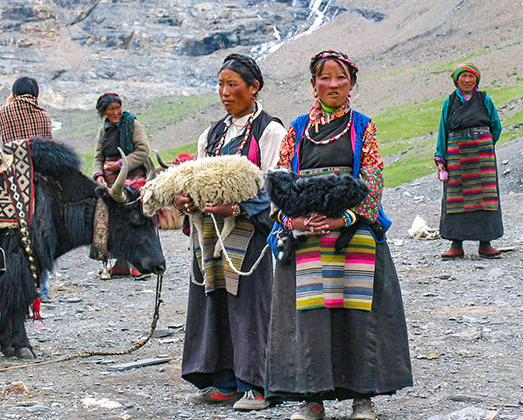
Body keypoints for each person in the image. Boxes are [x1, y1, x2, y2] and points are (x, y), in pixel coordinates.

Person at [264, 51, 412, 420]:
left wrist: (342, 219)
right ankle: (312, 398)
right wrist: (291, 221)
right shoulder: (297, 129)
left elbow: (372, 181)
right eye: (324, 78)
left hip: (353, 235)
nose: (333, 84)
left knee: (358, 316)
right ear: (313, 84)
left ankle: (363, 397)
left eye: (341, 78)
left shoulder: (364, 126)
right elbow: (280, 180)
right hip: (305, 238)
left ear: (352, 83)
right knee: (310, 319)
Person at [174, 54, 286, 412]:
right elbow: (197, 179)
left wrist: (238, 209)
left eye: (232, 84)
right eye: (220, 84)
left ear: (254, 88)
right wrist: (187, 201)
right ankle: (222, 381)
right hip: (209, 233)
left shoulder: (270, 131)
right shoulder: (212, 134)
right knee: (214, 303)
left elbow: (276, 185)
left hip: (249, 234)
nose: (224, 92)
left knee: (250, 307)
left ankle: (257, 385)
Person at [0, 77, 53, 302]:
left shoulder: (3, 113)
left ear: (14, 92)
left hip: (8, 185)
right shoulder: (43, 115)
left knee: (7, 237)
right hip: (37, 186)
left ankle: (5, 286)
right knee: (40, 236)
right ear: (35, 93)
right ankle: (41, 289)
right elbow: (48, 148)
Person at [434, 62, 503, 260]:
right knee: (455, 199)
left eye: (471, 77)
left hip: (482, 158)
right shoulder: (450, 102)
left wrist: (484, 144)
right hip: (457, 158)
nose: (467, 80)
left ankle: (485, 244)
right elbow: (443, 131)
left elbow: (496, 127)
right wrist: (441, 158)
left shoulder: (485, 100)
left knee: (486, 199)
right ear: (456, 80)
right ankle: (456, 245)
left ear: (476, 80)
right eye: (463, 76)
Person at [92, 92, 152, 279]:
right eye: (111, 109)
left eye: (118, 107)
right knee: (112, 220)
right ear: (104, 113)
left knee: (133, 217)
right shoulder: (105, 129)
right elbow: (99, 156)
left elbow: (143, 151)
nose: (116, 112)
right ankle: (120, 263)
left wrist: (120, 165)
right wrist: (99, 174)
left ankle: (139, 263)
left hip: (132, 177)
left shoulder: (132, 124)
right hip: (109, 179)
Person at [0, 76, 52, 142]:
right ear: (36, 96)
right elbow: (49, 145)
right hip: (37, 152)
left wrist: (8, 105)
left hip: (10, 152)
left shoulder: (3, 113)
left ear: (15, 95)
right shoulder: (44, 116)